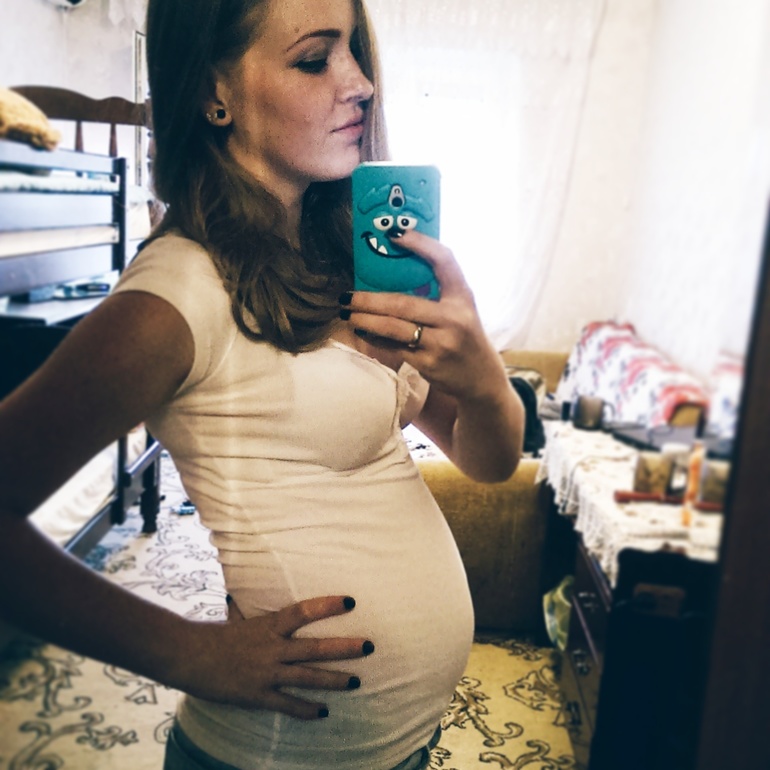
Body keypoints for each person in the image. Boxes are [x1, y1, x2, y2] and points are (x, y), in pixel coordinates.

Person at [0, 0, 524, 768]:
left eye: (354, 50)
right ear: (214, 93)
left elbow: (490, 462)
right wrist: (189, 653)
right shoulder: (177, 293)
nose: (361, 83)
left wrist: (483, 380)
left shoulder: (343, 255)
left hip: (398, 750)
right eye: (314, 59)